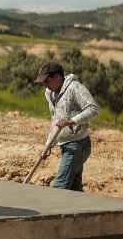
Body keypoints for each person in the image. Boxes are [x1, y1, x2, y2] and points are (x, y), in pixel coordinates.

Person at [34, 60, 99, 191]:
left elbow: (93, 109)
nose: (45, 85)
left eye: (47, 81)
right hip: (65, 145)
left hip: (78, 145)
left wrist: (72, 121)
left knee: (59, 187)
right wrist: (48, 145)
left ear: (57, 77)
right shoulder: (50, 94)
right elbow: (56, 122)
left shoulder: (74, 88)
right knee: (74, 190)